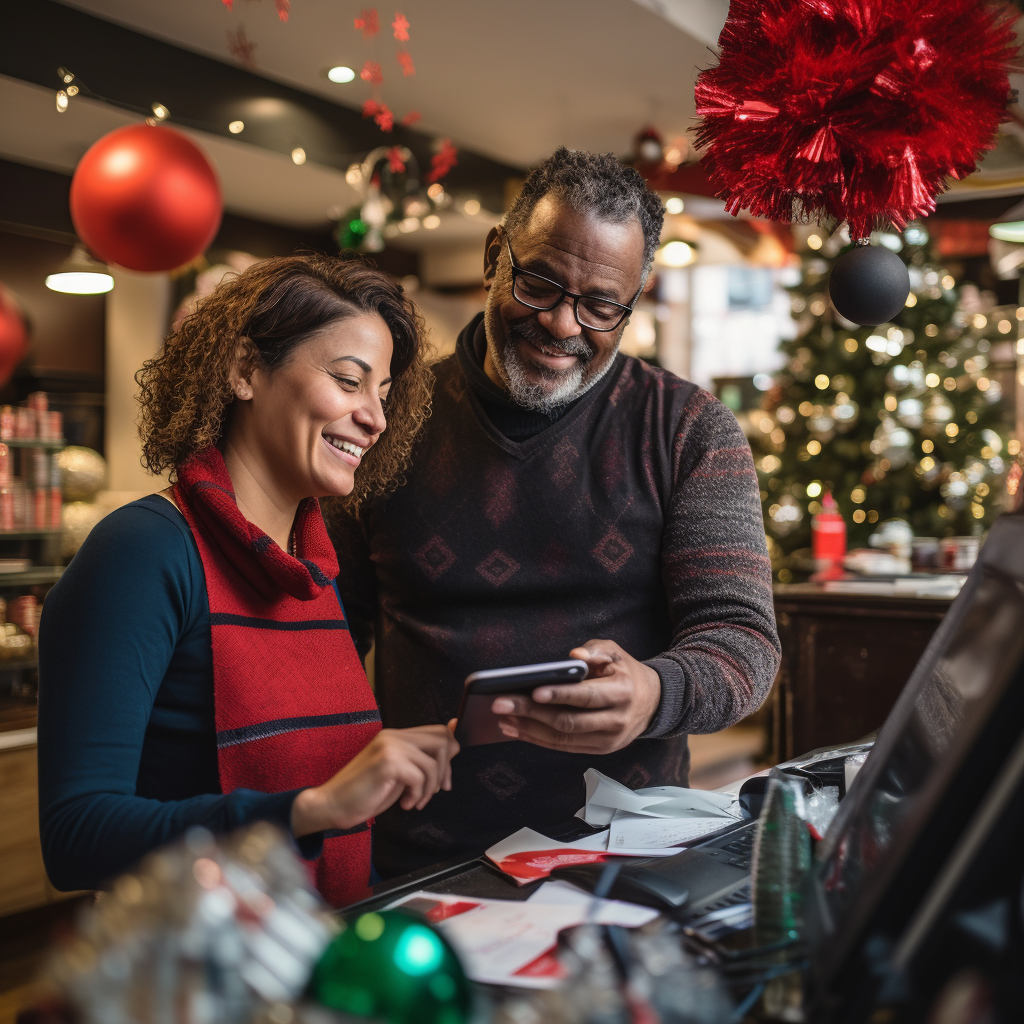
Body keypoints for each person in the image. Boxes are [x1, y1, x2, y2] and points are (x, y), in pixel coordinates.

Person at [331, 148, 781, 878]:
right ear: (492, 259)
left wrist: (656, 693)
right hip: (418, 856)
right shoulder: (384, 418)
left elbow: (743, 645)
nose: (564, 326)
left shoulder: (688, 429)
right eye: (540, 283)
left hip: (625, 855)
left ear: (635, 300)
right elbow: (325, 640)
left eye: (601, 305)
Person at [37, 254, 459, 906]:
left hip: (322, 964)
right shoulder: (144, 551)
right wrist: (311, 809)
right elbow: (76, 836)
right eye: (349, 381)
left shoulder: (313, 569)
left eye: (384, 393)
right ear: (243, 370)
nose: (374, 416)